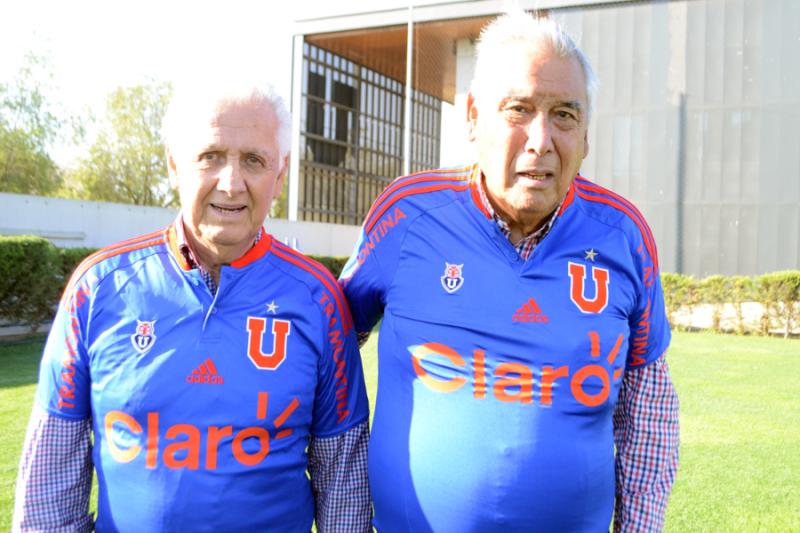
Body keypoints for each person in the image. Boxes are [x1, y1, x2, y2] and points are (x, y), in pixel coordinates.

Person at [340, 11, 679, 533]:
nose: (541, 140)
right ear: (474, 117)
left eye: (565, 114)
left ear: (586, 135)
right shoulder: (406, 213)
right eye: (518, 109)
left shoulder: (623, 234)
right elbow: (327, 352)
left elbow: (648, 409)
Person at [13, 81, 371, 532]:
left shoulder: (319, 300)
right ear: (174, 166)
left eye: (254, 161)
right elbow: (50, 485)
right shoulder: (98, 288)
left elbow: (343, 480)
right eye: (211, 157)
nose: (231, 182)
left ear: (279, 177)